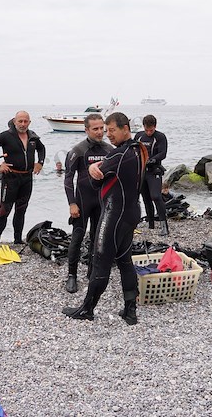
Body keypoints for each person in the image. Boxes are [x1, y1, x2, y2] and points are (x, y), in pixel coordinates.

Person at [62, 112, 148, 324]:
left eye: (111, 130)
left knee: (101, 260)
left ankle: (87, 309)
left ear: (125, 128)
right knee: (125, 260)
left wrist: (92, 168)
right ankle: (130, 311)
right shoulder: (138, 150)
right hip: (132, 212)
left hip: (114, 214)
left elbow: (95, 182)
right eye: (104, 130)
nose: (107, 134)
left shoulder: (117, 155)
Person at [63, 113, 114, 293]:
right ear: (86, 130)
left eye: (102, 128)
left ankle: (92, 271)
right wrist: (71, 204)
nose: (100, 132)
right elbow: (68, 179)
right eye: (95, 129)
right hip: (82, 201)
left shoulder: (109, 150)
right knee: (77, 237)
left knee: (97, 237)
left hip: (101, 201)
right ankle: (72, 275)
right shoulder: (78, 150)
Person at [0, 111, 46, 247]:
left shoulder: (33, 137)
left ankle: (17, 239)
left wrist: (40, 163)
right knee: (4, 210)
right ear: (14, 121)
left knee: (21, 209)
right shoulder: (5, 136)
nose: (23, 124)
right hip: (10, 178)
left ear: (29, 122)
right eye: (20, 121)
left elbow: (42, 149)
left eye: (25, 121)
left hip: (27, 178)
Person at [134, 114, 169, 236]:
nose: (149, 132)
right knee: (145, 198)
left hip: (154, 171)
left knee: (156, 196)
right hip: (142, 172)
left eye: (151, 130)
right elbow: (134, 150)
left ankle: (164, 226)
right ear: (143, 127)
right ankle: (150, 224)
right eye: (146, 130)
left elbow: (163, 153)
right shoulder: (139, 136)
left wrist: (153, 160)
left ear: (155, 126)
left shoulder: (160, 137)